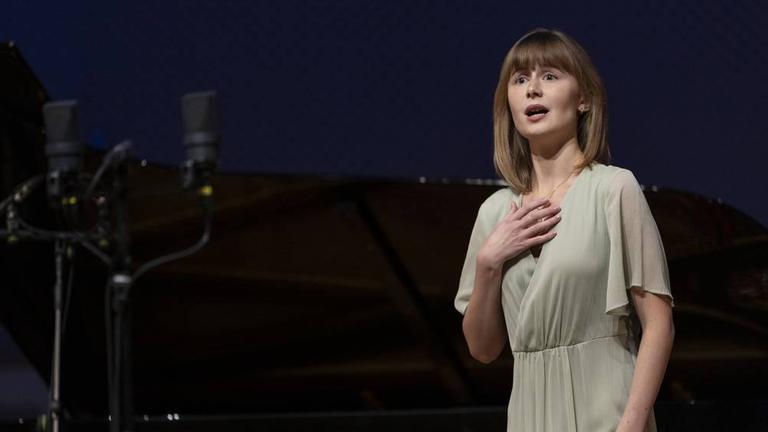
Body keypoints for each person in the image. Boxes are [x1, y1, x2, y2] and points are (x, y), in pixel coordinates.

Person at [454, 28, 675, 432]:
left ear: (584, 99)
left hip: (608, 407)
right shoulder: (495, 212)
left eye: (550, 76)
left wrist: (632, 422)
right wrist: (488, 264)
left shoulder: (613, 188)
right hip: (529, 413)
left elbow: (658, 322)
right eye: (520, 80)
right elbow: (483, 350)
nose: (532, 89)